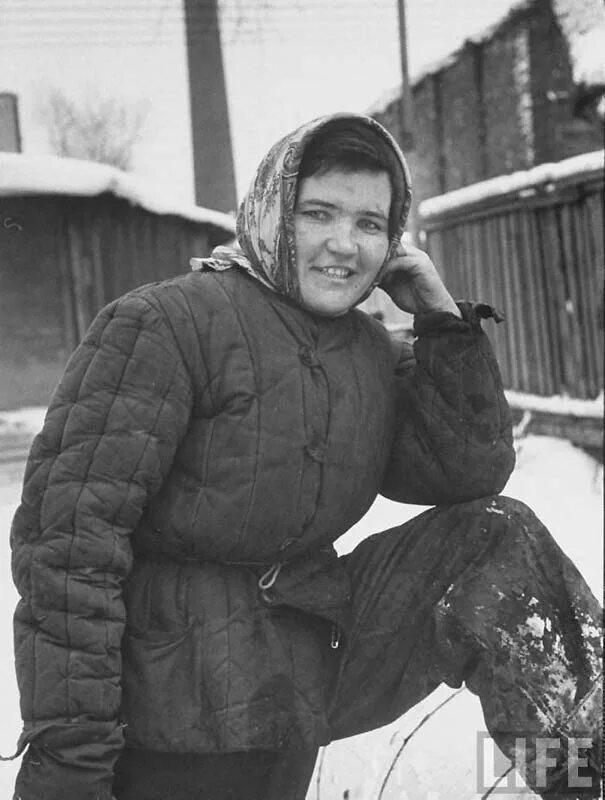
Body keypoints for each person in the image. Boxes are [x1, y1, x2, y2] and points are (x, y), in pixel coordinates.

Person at [7, 113, 602, 800]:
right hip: (172, 703)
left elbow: (467, 472)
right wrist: (72, 756)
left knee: (495, 536)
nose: (343, 245)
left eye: (370, 224)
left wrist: (441, 320)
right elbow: (69, 543)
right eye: (317, 213)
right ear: (269, 212)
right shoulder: (164, 324)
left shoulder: (367, 350)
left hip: (302, 662)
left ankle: (583, 776)